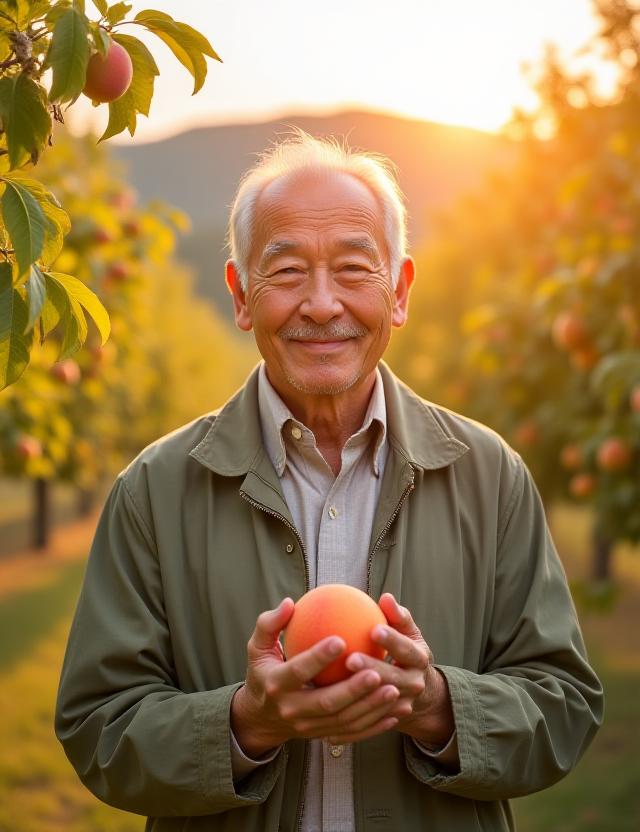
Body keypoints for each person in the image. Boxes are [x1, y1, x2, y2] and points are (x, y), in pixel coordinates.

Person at [54, 130, 604, 832]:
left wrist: (436, 706)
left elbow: (563, 704)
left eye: (352, 268)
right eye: (285, 272)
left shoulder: (489, 476)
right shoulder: (156, 490)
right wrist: (245, 724)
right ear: (241, 294)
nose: (320, 304)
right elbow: (98, 726)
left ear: (399, 292)